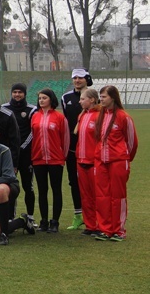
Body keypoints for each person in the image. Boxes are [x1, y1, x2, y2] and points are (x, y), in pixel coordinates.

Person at [93, 85, 138, 241]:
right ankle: (105, 229)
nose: (101, 99)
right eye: (101, 96)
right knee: (102, 196)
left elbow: (132, 142)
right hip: (100, 161)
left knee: (117, 196)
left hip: (118, 161)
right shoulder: (100, 115)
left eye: (104, 96)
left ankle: (118, 230)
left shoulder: (123, 117)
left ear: (113, 97)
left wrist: (123, 157)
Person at [30, 88, 69, 233]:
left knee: (56, 190)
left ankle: (55, 222)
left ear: (51, 99)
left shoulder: (59, 118)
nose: (41, 100)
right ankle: (44, 221)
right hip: (38, 159)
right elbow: (33, 136)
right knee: (42, 191)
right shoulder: (34, 117)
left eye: (44, 98)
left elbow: (65, 139)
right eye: (40, 98)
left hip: (55, 160)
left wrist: (61, 157)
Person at [61, 68, 93, 230]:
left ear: (87, 79)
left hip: (91, 149)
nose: (77, 80)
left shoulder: (95, 96)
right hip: (72, 148)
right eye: (75, 78)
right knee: (73, 181)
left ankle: (93, 216)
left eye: (80, 78)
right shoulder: (65, 98)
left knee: (91, 183)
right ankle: (78, 215)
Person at [2, 83, 37, 223]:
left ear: (24, 94)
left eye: (20, 92)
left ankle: (30, 216)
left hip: (26, 154)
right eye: (15, 92)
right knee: (10, 186)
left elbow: (32, 132)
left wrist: (22, 147)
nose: (17, 95)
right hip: (9, 155)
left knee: (28, 186)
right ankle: (11, 216)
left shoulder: (31, 109)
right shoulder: (4, 108)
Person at [75, 88, 101, 236]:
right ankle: (90, 225)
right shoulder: (82, 116)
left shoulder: (99, 116)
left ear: (91, 100)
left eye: (82, 98)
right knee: (85, 196)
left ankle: (100, 224)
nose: (80, 101)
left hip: (94, 162)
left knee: (98, 195)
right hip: (81, 161)